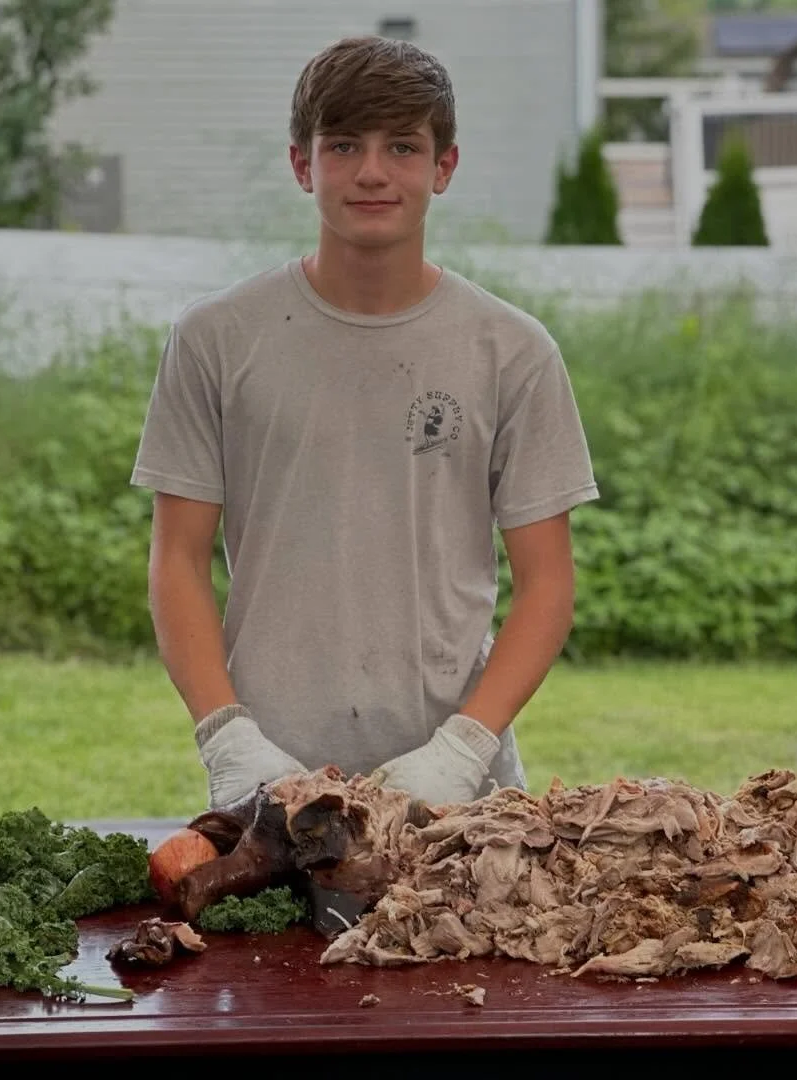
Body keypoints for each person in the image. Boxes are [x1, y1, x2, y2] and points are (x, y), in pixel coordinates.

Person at [130, 36, 599, 811]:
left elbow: (547, 581)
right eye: (343, 145)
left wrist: (463, 747)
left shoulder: (511, 351)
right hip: (271, 780)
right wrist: (228, 737)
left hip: (458, 788)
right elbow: (177, 558)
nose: (373, 172)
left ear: (443, 167)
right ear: (302, 165)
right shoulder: (216, 338)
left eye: (402, 147)